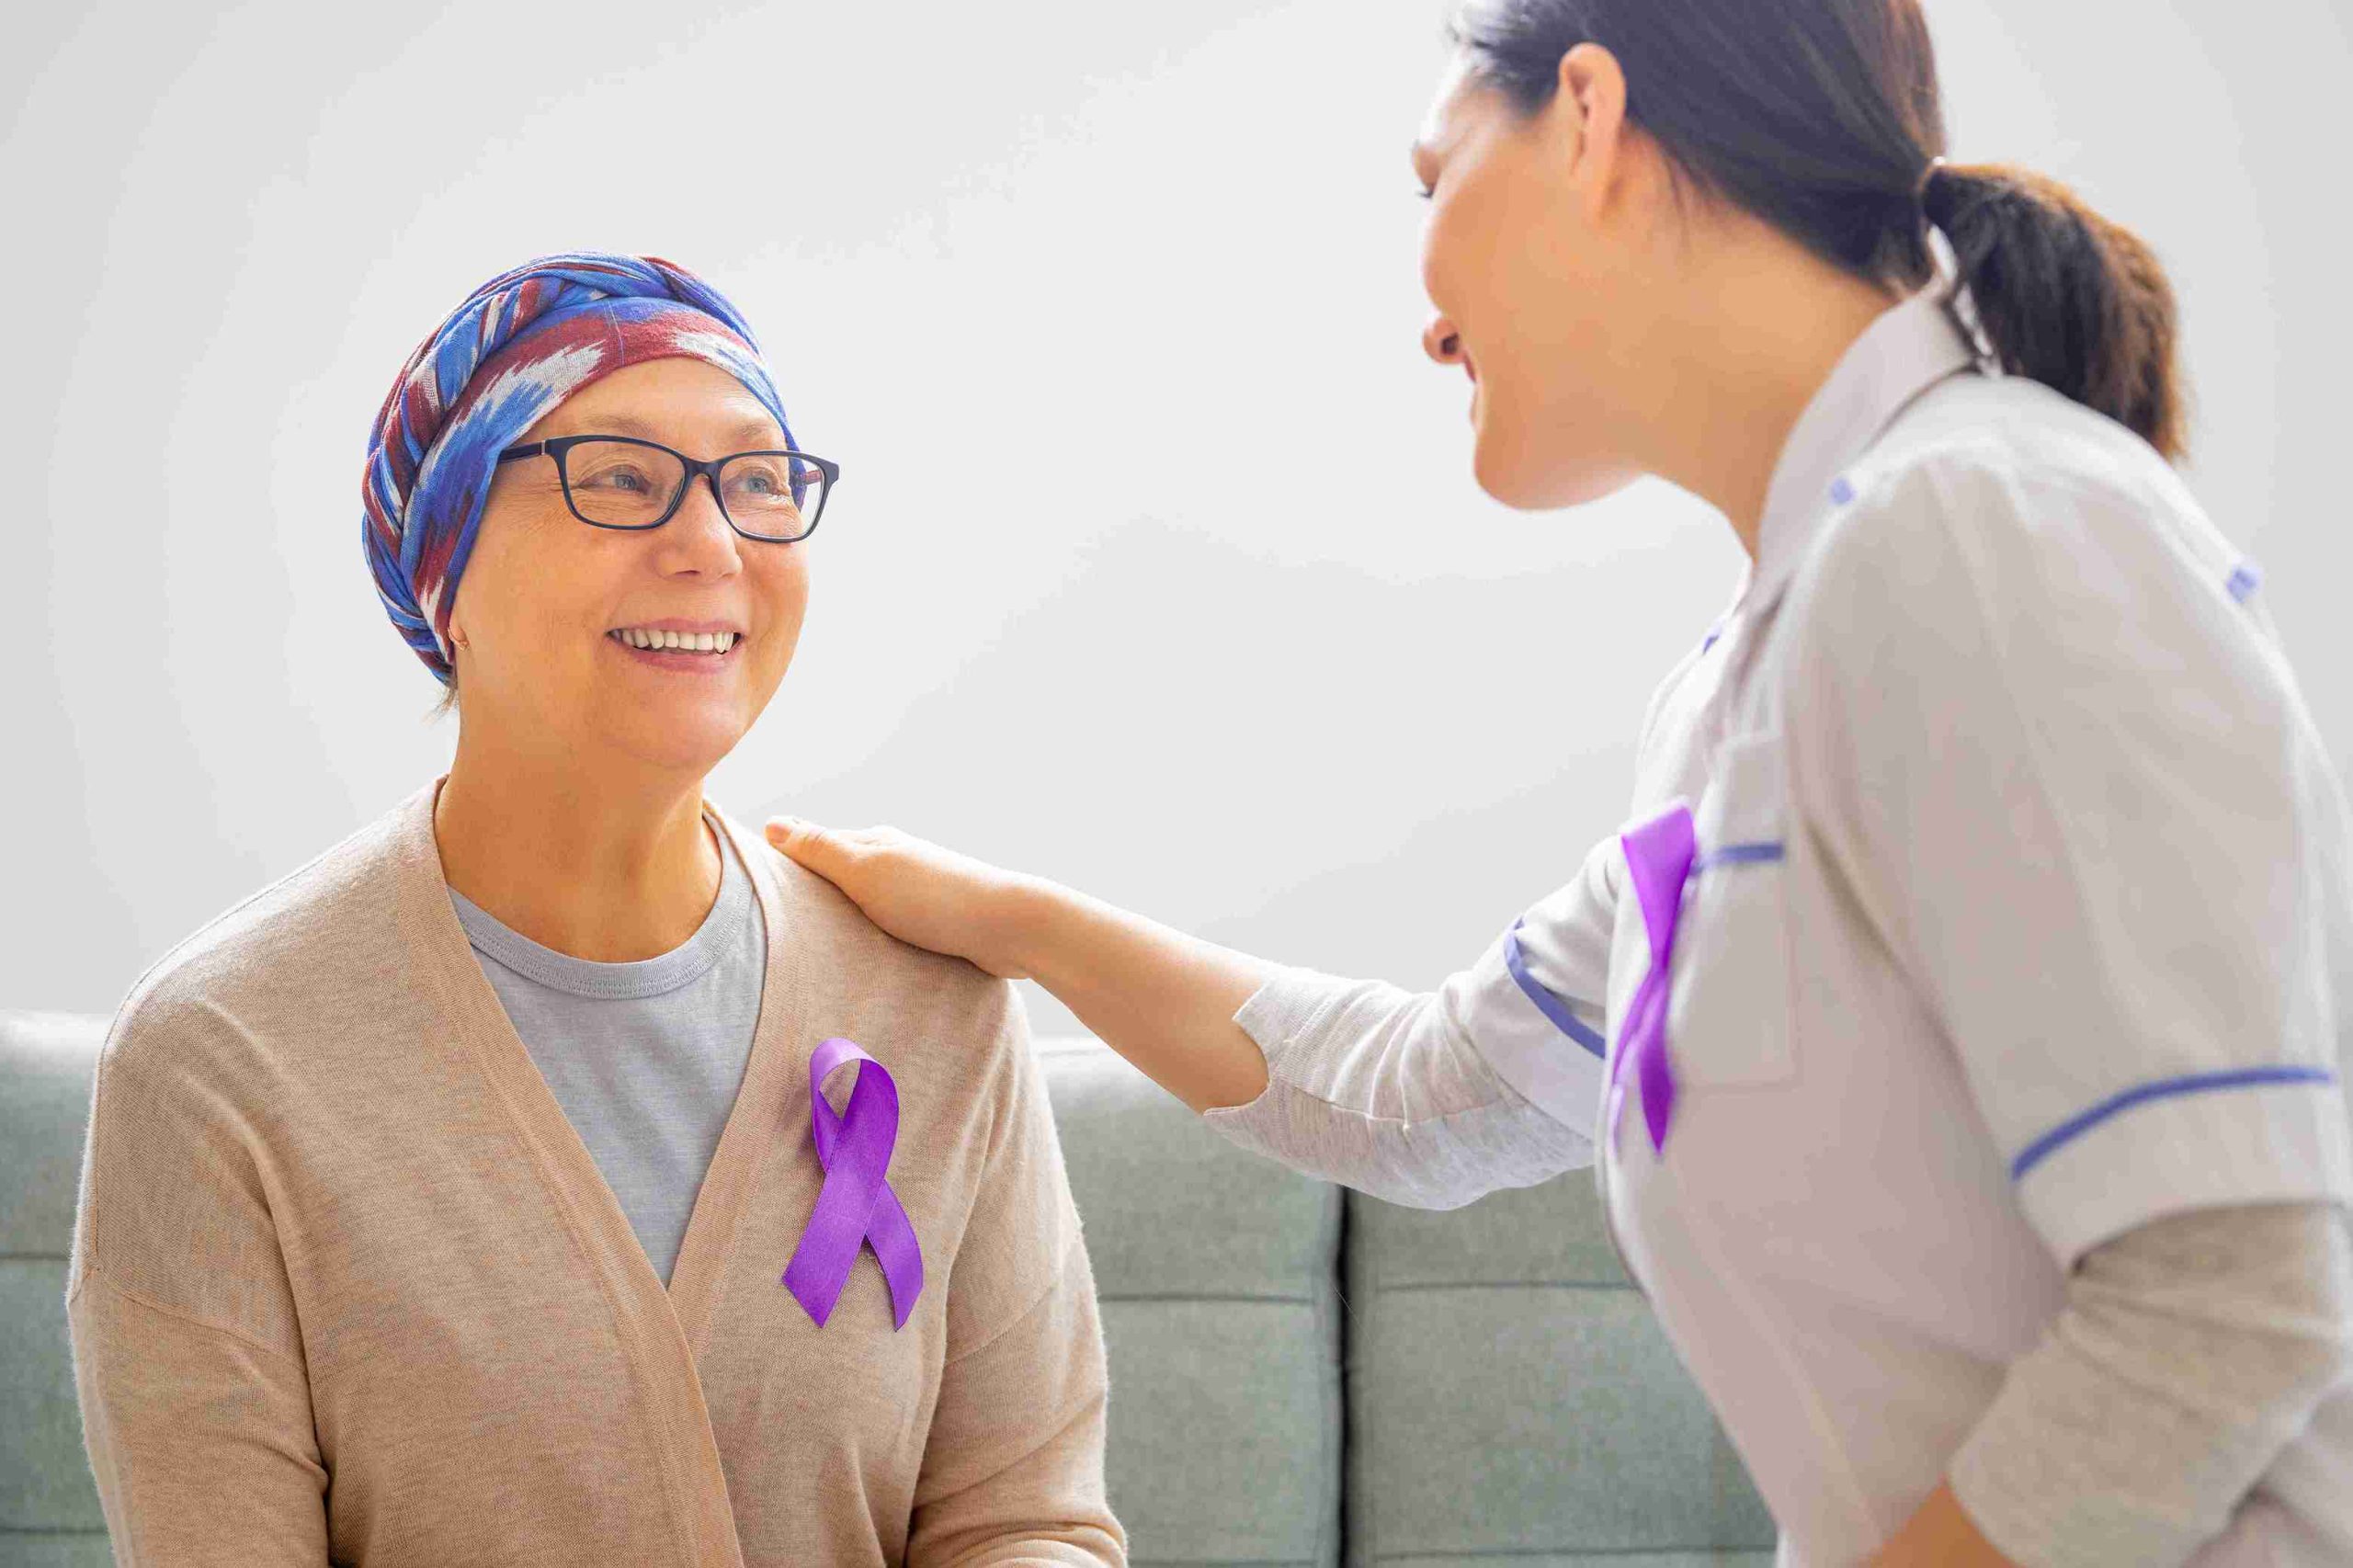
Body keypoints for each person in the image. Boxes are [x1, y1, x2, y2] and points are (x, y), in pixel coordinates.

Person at [757, 6, 2353, 1565]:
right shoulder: (1748, 684)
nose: (1430, 322)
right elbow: (1424, 1095)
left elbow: (2230, 1295)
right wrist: (996, 915)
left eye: (1431, 176)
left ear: (1590, 118)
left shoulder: (1989, 531)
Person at [67, 253, 1125, 1567]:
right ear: (444, 567)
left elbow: (1027, 1519)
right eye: (620, 477)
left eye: (755, 481)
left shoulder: (936, 1000)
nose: (711, 543)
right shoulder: (215, 1063)